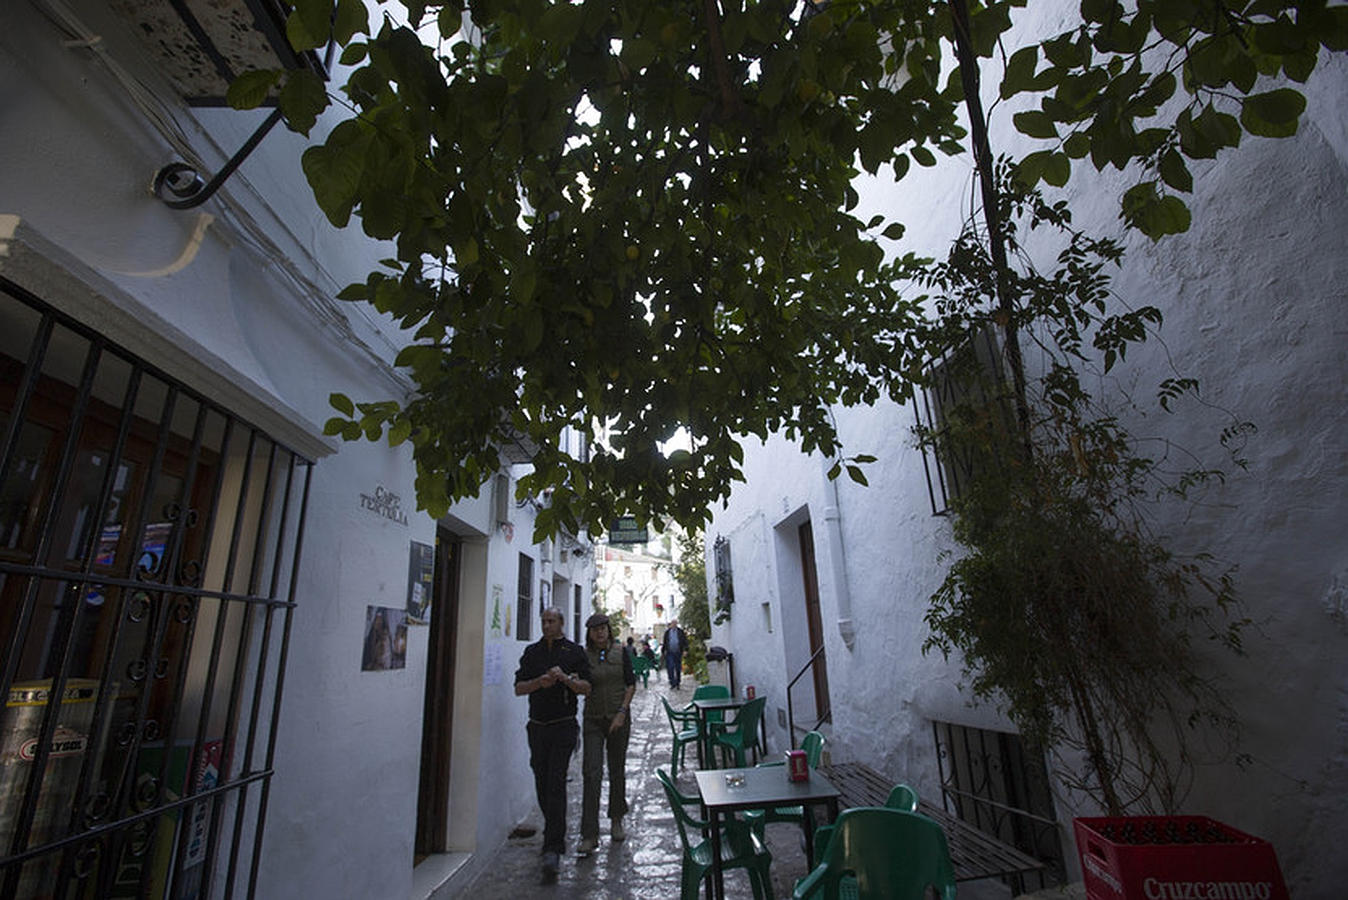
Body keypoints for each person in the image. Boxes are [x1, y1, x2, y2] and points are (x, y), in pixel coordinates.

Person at [514, 606, 591, 882]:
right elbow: (519, 688)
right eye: (543, 621)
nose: (546, 626)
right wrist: (539, 682)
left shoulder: (574, 652)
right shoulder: (532, 653)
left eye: (551, 621)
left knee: (556, 782)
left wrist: (566, 679)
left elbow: (586, 688)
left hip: (563, 726)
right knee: (542, 782)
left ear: (561, 622)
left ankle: (553, 848)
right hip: (537, 727)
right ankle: (553, 830)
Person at [578, 613, 636, 854]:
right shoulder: (583, 656)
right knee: (591, 772)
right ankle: (589, 834)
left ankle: (616, 819)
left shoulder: (621, 651)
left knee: (616, 769)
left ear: (609, 630)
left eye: (603, 628)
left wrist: (622, 711)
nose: (600, 632)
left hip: (618, 717)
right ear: (590, 633)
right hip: (593, 719)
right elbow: (579, 682)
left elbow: (631, 683)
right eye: (595, 629)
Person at [661, 619, 688, 689]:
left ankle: (678, 682)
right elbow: (665, 642)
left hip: (678, 652)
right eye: (673, 623)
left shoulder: (680, 632)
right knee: (670, 667)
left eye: (675, 623)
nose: (674, 624)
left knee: (678, 668)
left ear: (677, 624)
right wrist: (663, 651)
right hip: (670, 652)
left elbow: (685, 641)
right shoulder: (667, 632)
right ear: (671, 624)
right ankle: (672, 682)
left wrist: (685, 650)